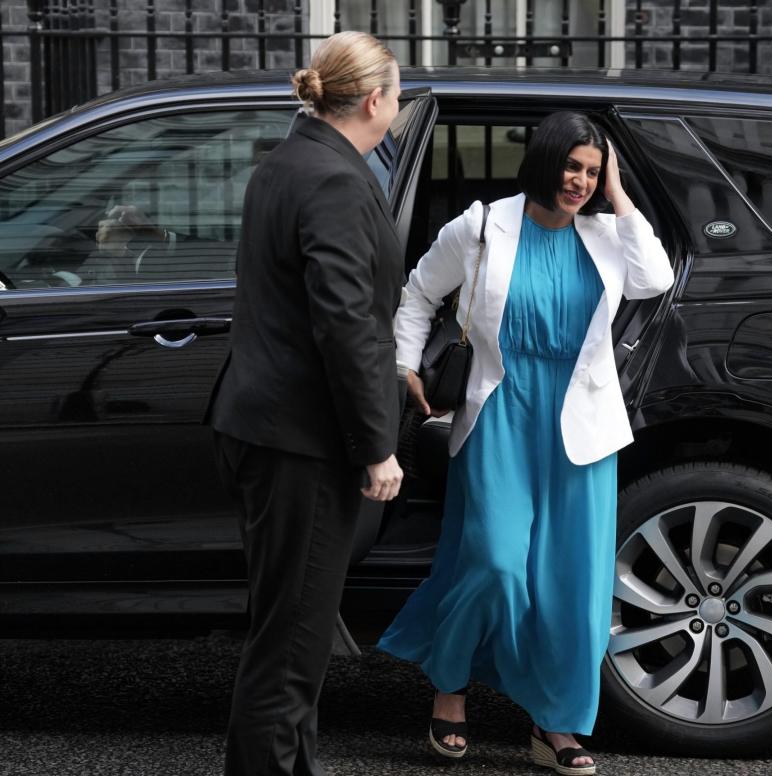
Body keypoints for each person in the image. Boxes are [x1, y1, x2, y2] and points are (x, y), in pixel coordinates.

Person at [379, 111, 674, 775]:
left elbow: (653, 279)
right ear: (544, 162)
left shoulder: (605, 234)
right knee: (495, 563)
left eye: (592, 172)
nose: (580, 181)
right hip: (500, 414)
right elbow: (419, 293)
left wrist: (620, 195)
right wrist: (403, 364)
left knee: (571, 587)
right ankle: (450, 683)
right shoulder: (484, 225)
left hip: (582, 427)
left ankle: (555, 725)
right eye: (572, 166)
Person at [205, 30, 405, 776]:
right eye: (398, 94)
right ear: (377, 99)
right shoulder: (335, 179)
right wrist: (376, 445)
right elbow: (343, 321)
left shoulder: (286, 162)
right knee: (289, 649)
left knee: (288, 637)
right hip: (301, 440)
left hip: (265, 426)